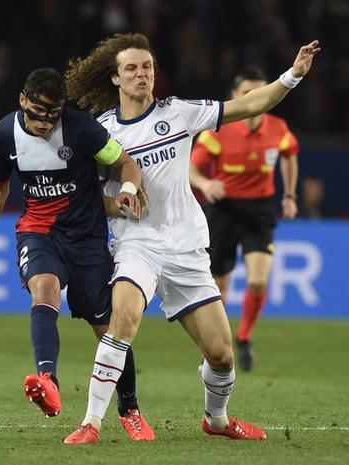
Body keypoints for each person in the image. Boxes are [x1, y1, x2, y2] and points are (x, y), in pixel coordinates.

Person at [62, 32, 319, 444]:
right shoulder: (101, 133)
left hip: (186, 248)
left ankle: (216, 419)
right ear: (115, 78)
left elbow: (251, 104)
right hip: (136, 245)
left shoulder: (180, 113)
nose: (141, 74)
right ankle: (90, 422)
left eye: (147, 67)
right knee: (123, 320)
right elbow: (87, 199)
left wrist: (293, 74)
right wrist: (119, 205)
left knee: (220, 355)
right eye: (131, 68)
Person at [0, 68, 153, 441]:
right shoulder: (0, 136)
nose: (45, 122)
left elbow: (126, 162)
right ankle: (47, 379)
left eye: (53, 114)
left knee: (108, 330)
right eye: (38, 113)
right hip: (39, 231)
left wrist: (127, 187)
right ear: (22, 100)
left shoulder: (81, 129)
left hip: (88, 238)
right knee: (43, 289)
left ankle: (130, 408)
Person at [188, 68, 300, 372]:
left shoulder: (278, 127)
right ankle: (213, 348)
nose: (255, 98)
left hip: (260, 211)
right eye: (248, 93)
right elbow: (191, 169)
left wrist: (290, 195)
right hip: (224, 211)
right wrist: (206, 184)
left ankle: (245, 337)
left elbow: (289, 154)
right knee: (218, 288)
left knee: (258, 282)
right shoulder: (217, 129)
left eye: (260, 92)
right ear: (236, 96)